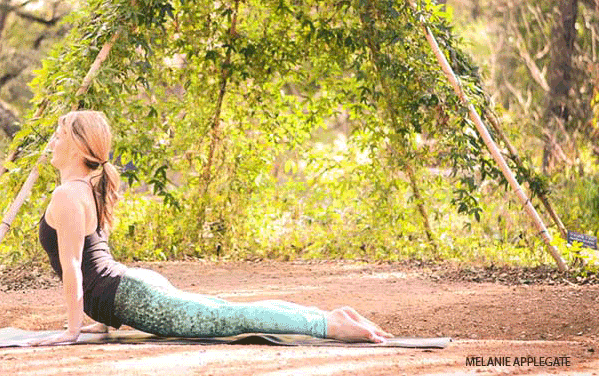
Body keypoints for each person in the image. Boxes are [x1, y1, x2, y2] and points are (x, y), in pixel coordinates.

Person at [32, 110, 392, 346]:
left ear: (78, 147)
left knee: (230, 317)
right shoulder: (80, 190)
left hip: (135, 295)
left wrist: (72, 331)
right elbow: (98, 261)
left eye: (58, 136)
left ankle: (330, 324)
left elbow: (77, 270)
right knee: (227, 310)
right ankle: (331, 317)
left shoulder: (68, 194)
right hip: (131, 289)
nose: (52, 143)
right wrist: (104, 322)